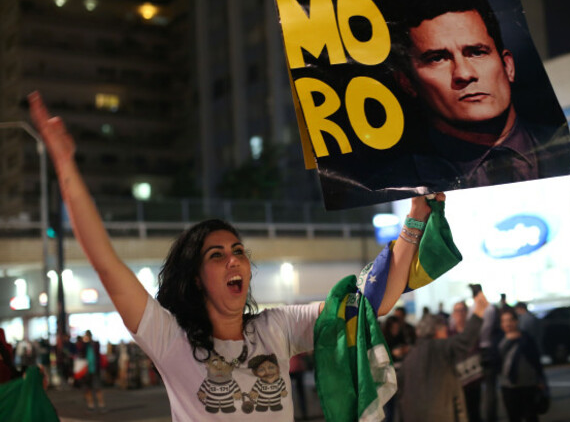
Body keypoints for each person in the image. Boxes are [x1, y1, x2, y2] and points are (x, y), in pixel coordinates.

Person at [28, 91, 446, 421]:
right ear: (195, 278)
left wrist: (414, 219)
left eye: (238, 251)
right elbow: (105, 262)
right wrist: (65, 164)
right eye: (216, 255)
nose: (233, 260)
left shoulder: (277, 327)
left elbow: (371, 303)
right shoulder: (169, 339)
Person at [388, 0, 570, 189]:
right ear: (407, 82)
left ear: (508, 66)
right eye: (437, 58)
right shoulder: (394, 183)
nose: (464, 73)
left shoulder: (566, 148)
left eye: (477, 52)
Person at [398, 290, 488, 422]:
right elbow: (465, 340)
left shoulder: (410, 357)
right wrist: (479, 311)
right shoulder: (439, 347)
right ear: (437, 331)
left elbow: (400, 394)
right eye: (444, 330)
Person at [498, 308, 546, 422]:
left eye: (510, 320)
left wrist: (540, 380)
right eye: (504, 321)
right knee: (513, 417)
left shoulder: (527, 338)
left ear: (516, 321)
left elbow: (536, 360)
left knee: (531, 416)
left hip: (528, 384)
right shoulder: (499, 340)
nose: (507, 324)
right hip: (508, 385)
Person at [450, 301, 482, 422]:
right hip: (456, 380)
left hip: (474, 378)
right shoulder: (449, 333)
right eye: (456, 310)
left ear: (466, 312)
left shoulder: (473, 331)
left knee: (474, 412)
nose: (459, 313)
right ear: (453, 314)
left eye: (461, 310)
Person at [77, 330, 106, 411]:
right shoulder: (84, 345)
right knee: (88, 388)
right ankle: (92, 405)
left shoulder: (94, 344)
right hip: (87, 370)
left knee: (96, 388)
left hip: (93, 369)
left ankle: (100, 405)